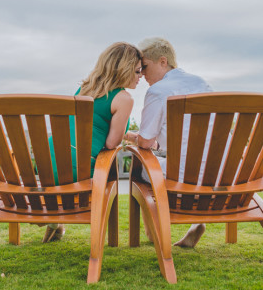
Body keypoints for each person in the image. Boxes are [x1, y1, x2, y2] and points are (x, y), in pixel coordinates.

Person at [42, 42, 142, 243]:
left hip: (49, 161)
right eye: (138, 70)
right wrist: (133, 136)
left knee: (69, 167)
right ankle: (56, 223)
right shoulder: (124, 99)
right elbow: (112, 142)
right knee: (104, 167)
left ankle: (55, 223)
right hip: (77, 169)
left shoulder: (85, 88)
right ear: (125, 68)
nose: (141, 76)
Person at [137, 37, 212, 248]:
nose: (142, 74)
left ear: (163, 61)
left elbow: (145, 142)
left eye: (144, 67)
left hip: (181, 177)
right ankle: (197, 224)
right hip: (218, 175)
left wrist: (137, 138)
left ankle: (153, 233)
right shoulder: (203, 84)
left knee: (138, 165)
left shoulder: (158, 91)